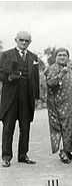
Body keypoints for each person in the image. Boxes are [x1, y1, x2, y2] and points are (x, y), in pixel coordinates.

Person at [0, 31, 39, 167]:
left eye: (26, 41)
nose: (24, 43)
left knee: (25, 128)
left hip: (26, 98)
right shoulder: (6, 54)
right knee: (8, 128)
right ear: (15, 40)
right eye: (21, 40)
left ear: (30, 42)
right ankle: (6, 156)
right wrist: (9, 77)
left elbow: (35, 78)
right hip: (10, 98)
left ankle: (23, 155)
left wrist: (37, 97)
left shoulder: (33, 57)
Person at [44, 48, 72, 164]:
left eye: (64, 55)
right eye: (59, 55)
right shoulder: (51, 69)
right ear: (55, 57)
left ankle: (68, 150)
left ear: (68, 57)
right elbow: (50, 83)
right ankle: (62, 152)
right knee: (62, 127)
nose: (62, 57)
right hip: (58, 104)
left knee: (71, 126)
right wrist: (60, 75)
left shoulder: (71, 68)